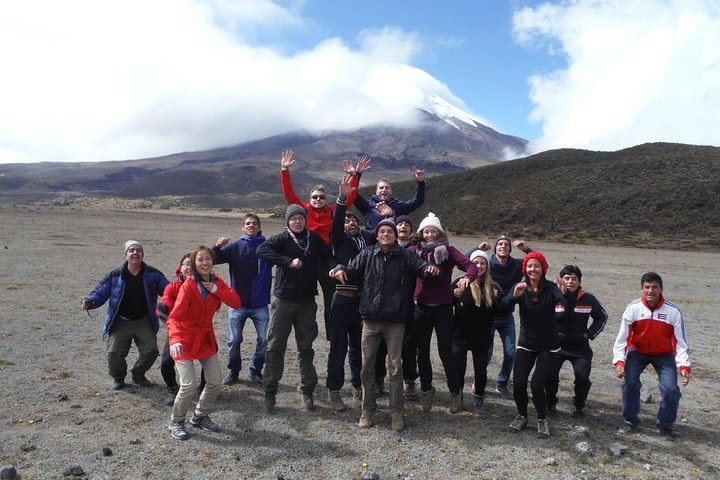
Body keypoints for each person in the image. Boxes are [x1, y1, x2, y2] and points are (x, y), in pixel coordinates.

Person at [333, 218, 439, 432]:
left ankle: (396, 412)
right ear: (378, 234)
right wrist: (339, 267)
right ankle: (367, 410)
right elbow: (351, 268)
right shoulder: (368, 253)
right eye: (381, 231)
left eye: (389, 232)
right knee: (366, 368)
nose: (385, 234)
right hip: (370, 320)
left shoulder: (406, 255)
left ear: (393, 235)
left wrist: (429, 268)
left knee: (395, 368)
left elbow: (421, 267)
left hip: (395, 323)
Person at [280, 151, 368, 341]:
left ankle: (332, 336)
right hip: (307, 260)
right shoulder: (303, 210)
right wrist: (285, 169)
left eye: (321, 197)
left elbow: (350, 198)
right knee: (303, 298)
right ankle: (302, 335)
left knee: (331, 299)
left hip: (327, 260)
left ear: (326, 199)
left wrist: (356, 176)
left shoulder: (333, 211)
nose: (318, 200)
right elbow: (289, 194)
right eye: (315, 197)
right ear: (309, 199)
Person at [257, 204, 332, 413]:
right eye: (293, 218)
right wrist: (287, 262)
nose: (297, 221)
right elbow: (261, 250)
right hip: (284, 300)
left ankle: (307, 389)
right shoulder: (282, 238)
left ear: (305, 220)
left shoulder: (313, 238)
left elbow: (328, 254)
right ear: (288, 221)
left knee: (305, 347)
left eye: (300, 218)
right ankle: (270, 389)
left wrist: (336, 266)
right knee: (275, 345)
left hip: (307, 301)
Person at [166, 246, 240, 440]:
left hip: (205, 338)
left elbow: (236, 302)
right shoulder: (189, 285)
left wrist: (217, 290)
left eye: (208, 259)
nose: (205, 263)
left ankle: (199, 416)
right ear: (193, 263)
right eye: (200, 260)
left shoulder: (216, 281)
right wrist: (174, 340)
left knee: (215, 381)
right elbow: (173, 317)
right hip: (184, 339)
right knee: (188, 386)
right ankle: (176, 421)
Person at [411, 212, 477, 414]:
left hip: (443, 308)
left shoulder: (448, 251)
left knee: (445, 352)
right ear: (421, 233)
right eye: (426, 231)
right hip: (421, 307)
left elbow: (470, 265)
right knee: (421, 352)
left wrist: (467, 278)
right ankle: (426, 389)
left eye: (433, 231)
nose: (430, 235)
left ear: (439, 232)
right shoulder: (414, 251)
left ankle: (455, 393)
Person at [82, 240, 169, 391]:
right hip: (120, 320)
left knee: (151, 351)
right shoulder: (115, 275)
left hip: (144, 320)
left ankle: (138, 374)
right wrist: (90, 302)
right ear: (125, 255)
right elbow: (100, 292)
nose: (135, 253)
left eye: (138, 250)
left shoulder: (153, 274)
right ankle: (118, 377)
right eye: (131, 250)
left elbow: (168, 290)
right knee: (114, 352)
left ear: (142, 255)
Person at [613, 272, 691, 439]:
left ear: (661, 289)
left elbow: (680, 342)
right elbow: (622, 338)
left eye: (654, 287)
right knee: (630, 383)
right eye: (647, 287)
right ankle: (630, 421)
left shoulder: (673, 312)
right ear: (641, 289)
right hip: (637, 352)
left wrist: (684, 366)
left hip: (663, 354)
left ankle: (665, 425)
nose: (650, 291)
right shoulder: (632, 308)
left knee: (671, 389)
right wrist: (619, 361)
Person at [502, 251, 566, 438]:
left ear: (543, 268)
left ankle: (541, 419)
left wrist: (564, 297)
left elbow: (563, 307)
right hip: (526, 343)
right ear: (525, 269)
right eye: (529, 266)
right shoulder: (520, 287)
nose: (532, 269)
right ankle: (522, 415)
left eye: (536, 266)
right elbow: (503, 307)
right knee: (519, 383)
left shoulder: (552, 288)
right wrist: (512, 297)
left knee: (537, 384)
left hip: (548, 345)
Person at [326, 175, 375, 411]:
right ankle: (334, 391)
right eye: (346, 222)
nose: (350, 223)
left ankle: (357, 386)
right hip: (341, 302)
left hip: (362, 304)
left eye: (353, 220)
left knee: (358, 349)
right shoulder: (339, 239)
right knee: (338, 348)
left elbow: (386, 232)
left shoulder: (367, 239)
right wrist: (342, 199)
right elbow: (336, 222)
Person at [469, 235, 533, 398]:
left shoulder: (517, 265)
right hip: (488, 315)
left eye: (506, 244)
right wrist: (478, 248)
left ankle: (502, 383)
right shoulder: (487, 263)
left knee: (511, 351)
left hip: (507, 315)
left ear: (510, 249)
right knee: (486, 352)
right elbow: (465, 261)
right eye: (500, 244)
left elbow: (537, 261)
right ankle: (478, 381)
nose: (503, 246)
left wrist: (526, 249)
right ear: (495, 248)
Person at [213, 213, 272, 387]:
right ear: (243, 227)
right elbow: (213, 260)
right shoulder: (235, 247)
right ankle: (234, 370)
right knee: (234, 340)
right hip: (237, 304)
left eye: (254, 223)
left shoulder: (267, 247)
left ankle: (255, 370)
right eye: (248, 223)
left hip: (260, 304)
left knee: (264, 339)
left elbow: (284, 259)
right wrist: (217, 247)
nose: (251, 225)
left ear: (259, 227)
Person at [545, 265, 607, 417]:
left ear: (579, 282)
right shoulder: (553, 296)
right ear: (561, 280)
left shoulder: (588, 298)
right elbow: (541, 317)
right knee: (550, 375)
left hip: (580, 348)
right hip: (556, 346)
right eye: (566, 278)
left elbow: (602, 317)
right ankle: (550, 403)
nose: (570, 282)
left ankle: (579, 406)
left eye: (574, 279)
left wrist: (589, 334)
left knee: (582, 378)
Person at [451, 250, 507, 412]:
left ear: (487, 267)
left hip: (482, 336)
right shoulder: (460, 283)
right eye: (476, 263)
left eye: (483, 263)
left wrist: (497, 299)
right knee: (458, 369)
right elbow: (446, 303)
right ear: (470, 265)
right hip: (460, 335)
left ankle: (479, 398)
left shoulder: (493, 287)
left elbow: (502, 311)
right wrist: (453, 294)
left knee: (481, 371)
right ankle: (458, 397)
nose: (479, 266)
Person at [156, 253, 192, 405]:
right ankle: (172, 389)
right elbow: (163, 307)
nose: (189, 267)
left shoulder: (207, 286)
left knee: (209, 359)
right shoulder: (172, 287)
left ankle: (205, 388)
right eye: (186, 264)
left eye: (192, 264)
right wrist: (166, 315)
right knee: (166, 361)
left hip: (200, 329)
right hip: (177, 330)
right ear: (180, 268)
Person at [353, 167, 426, 232]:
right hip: (372, 244)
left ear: (391, 191)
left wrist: (420, 183)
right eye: (381, 188)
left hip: (393, 244)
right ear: (376, 191)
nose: (384, 190)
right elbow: (352, 193)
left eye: (387, 188)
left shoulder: (398, 206)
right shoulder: (368, 205)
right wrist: (357, 174)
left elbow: (418, 201)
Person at [396, 215, 419, 400]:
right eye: (400, 223)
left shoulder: (416, 250)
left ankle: (409, 380)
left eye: (407, 224)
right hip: (386, 305)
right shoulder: (384, 247)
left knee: (409, 345)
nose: (403, 226)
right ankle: (380, 379)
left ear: (411, 231)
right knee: (381, 346)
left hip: (408, 304)